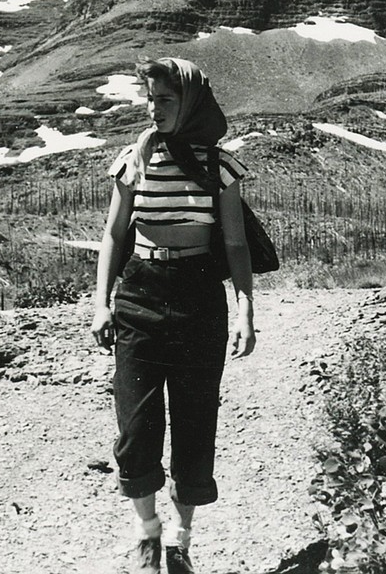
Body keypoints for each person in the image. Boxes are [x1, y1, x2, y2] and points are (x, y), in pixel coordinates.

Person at [90, 57, 256, 574]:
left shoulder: (219, 165)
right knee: (135, 425)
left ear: (190, 102)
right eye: (149, 97)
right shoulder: (134, 158)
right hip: (140, 293)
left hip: (199, 298)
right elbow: (115, 236)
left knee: (194, 420)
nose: (153, 107)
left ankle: (181, 540)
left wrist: (246, 306)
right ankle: (145, 531)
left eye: (165, 99)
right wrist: (101, 302)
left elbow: (234, 242)